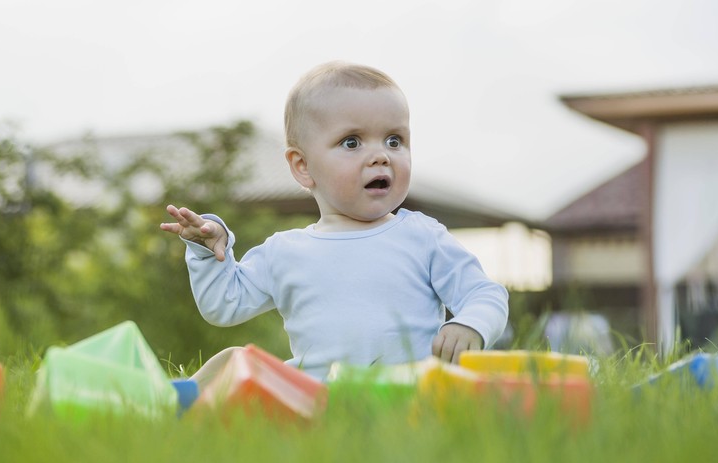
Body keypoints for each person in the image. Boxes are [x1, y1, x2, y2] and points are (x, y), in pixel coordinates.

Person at [161, 61, 509, 380]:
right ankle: (178, 405)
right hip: (314, 399)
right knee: (234, 362)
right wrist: (209, 252)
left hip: (408, 393)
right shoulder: (285, 251)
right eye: (352, 142)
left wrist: (470, 324)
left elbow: (484, 293)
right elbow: (224, 306)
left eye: (394, 140)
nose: (380, 156)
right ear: (303, 166)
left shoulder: (422, 237)